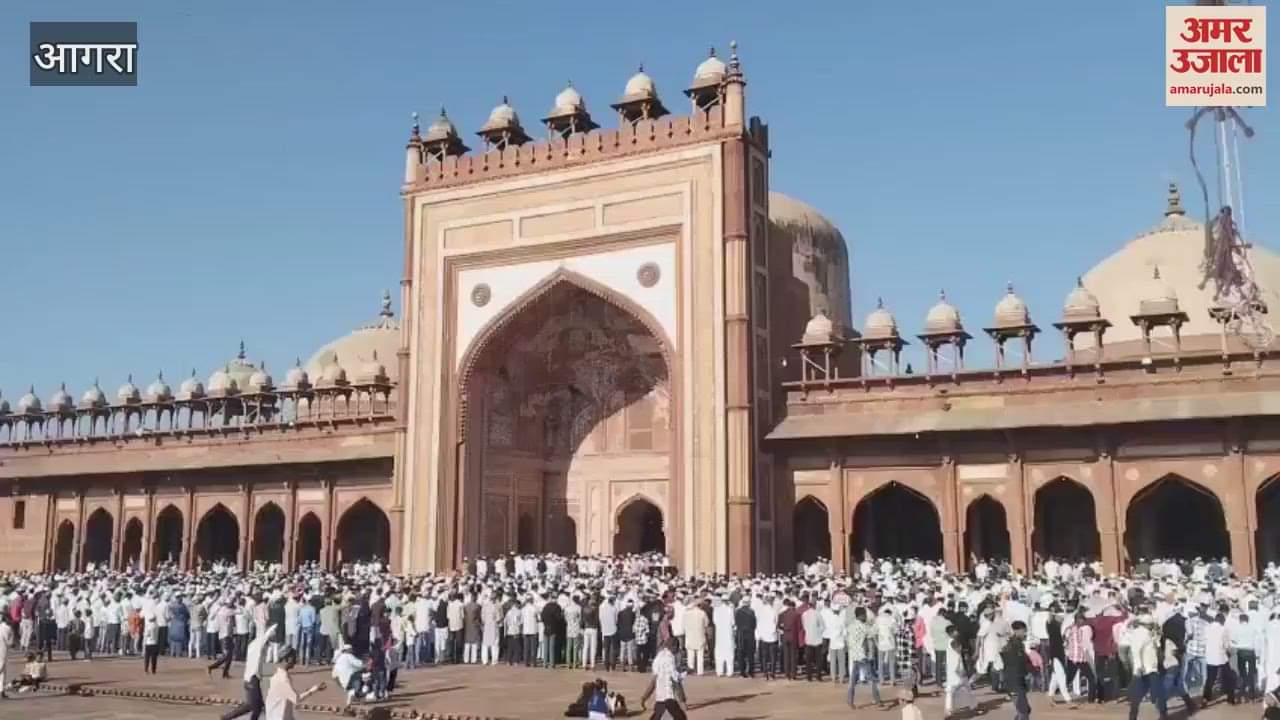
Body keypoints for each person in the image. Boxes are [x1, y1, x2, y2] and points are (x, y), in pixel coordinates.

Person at [220, 622, 277, 720]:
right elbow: (267, 635)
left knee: (258, 706)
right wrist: (275, 625)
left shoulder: (253, 645)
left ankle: (228, 717)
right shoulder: (259, 643)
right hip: (252, 679)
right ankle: (227, 717)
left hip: (252, 678)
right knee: (251, 705)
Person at [265, 648, 325, 720]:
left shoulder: (277, 675)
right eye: (294, 657)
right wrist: (314, 689)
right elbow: (296, 699)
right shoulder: (282, 679)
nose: (296, 661)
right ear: (286, 659)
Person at [640, 637, 687, 720]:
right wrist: (682, 700)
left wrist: (644, 697)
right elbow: (675, 680)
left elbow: (653, 682)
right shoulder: (671, 658)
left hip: (659, 703)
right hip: (669, 702)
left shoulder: (658, 658)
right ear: (674, 647)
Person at [1002, 620, 1032, 720]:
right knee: (1023, 711)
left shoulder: (1017, 644)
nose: (1025, 633)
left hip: (1017, 681)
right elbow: (1017, 662)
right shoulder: (1013, 645)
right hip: (1013, 682)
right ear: (1016, 631)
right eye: (1023, 631)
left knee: (1024, 710)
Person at [331, 643, 365, 708]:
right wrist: (364, 664)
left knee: (351, 685)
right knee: (360, 679)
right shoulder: (349, 656)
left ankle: (353, 697)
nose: (352, 650)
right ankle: (356, 695)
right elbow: (359, 664)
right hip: (347, 677)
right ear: (348, 650)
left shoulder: (339, 656)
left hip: (337, 678)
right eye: (351, 649)